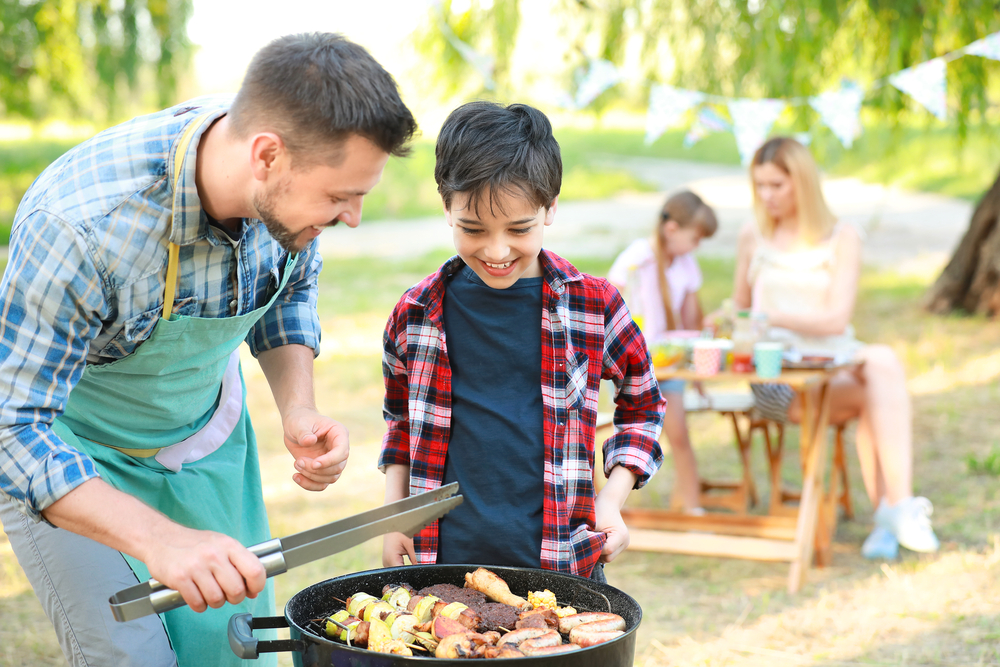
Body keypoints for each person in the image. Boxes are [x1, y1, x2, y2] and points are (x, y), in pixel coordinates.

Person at [0, 33, 417, 667]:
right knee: (136, 657)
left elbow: (290, 289)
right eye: (339, 197)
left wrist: (297, 407)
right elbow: (12, 431)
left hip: (206, 438)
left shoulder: (282, 177)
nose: (353, 218)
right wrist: (162, 541)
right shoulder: (80, 228)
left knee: (237, 647)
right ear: (267, 156)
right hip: (68, 454)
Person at [378, 101, 665, 581]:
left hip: (561, 563)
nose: (495, 250)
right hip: (444, 561)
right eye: (472, 229)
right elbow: (401, 420)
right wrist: (395, 516)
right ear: (446, 205)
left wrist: (610, 502)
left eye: (519, 228)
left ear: (550, 208)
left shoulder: (593, 305)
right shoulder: (415, 314)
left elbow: (644, 405)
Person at [727, 136, 939, 559]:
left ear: (802, 183)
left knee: (881, 367)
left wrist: (770, 316)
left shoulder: (842, 237)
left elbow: (836, 321)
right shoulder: (754, 236)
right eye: (760, 186)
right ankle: (897, 510)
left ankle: (890, 512)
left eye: (777, 185)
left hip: (835, 368)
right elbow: (740, 313)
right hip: (778, 381)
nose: (767, 196)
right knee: (882, 379)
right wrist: (758, 323)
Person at [607, 191, 718, 514]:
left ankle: (692, 506)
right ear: (672, 229)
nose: (696, 245)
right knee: (627, 439)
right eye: (695, 238)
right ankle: (614, 510)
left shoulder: (685, 264)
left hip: (670, 365)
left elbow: (689, 317)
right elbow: (613, 303)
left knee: (679, 435)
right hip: (637, 367)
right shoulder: (638, 257)